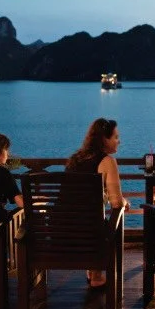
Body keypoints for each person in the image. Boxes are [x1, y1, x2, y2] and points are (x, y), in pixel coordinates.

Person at [65, 118, 129, 288]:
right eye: (115, 137)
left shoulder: (75, 159)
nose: (119, 140)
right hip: (89, 236)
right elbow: (116, 203)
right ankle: (96, 275)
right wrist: (124, 201)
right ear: (104, 139)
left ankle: (93, 271)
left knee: (87, 216)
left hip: (62, 230)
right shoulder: (107, 161)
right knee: (103, 221)